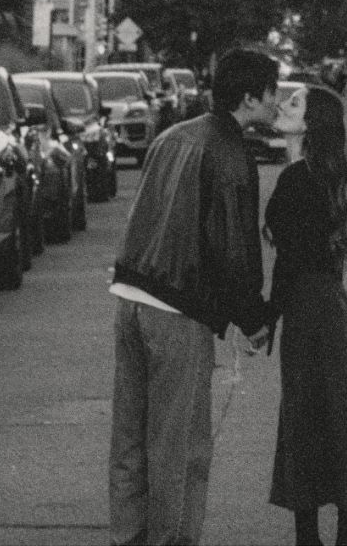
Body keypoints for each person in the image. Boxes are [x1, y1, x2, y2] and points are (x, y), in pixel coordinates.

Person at [108, 47, 279, 546]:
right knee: (180, 448)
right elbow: (234, 250)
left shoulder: (171, 137)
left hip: (131, 298)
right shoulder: (230, 155)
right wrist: (254, 318)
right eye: (272, 94)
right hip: (178, 311)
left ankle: (129, 537)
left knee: (131, 438)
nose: (276, 103)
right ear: (249, 98)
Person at [266, 84, 347, 546]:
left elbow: (290, 261)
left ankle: (308, 537)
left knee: (303, 419)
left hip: (308, 310)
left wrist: (267, 317)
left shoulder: (298, 178)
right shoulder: (327, 174)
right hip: (333, 309)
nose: (282, 105)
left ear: (312, 122)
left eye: (294, 103)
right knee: (341, 415)